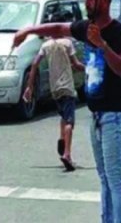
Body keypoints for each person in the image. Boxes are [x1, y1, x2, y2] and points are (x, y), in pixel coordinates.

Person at [13, 0, 121, 223]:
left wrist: (103, 45)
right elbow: (59, 29)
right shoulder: (86, 28)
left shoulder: (117, 31)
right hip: (96, 113)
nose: (87, 0)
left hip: (114, 114)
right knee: (103, 176)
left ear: (105, 0)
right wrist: (29, 30)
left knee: (115, 176)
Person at [23, 12, 85, 171]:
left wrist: (29, 86)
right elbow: (76, 64)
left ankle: (61, 138)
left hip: (54, 88)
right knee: (70, 121)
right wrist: (89, 68)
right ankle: (67, 154)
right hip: (67, 87)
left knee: (64, 116)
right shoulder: (67, 43)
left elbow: (35, 64)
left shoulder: (46, 46)